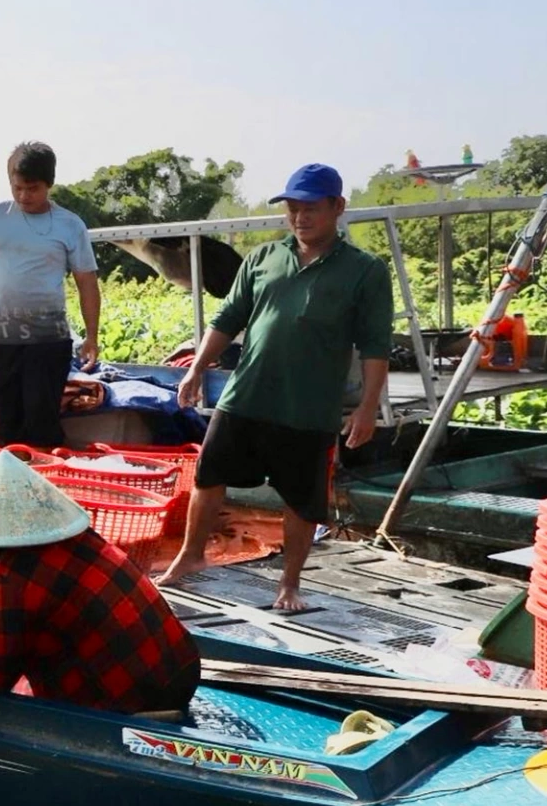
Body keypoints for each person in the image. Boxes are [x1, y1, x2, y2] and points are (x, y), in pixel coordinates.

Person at [157, 164, 392, 611]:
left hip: (309, 408)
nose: (300, 217)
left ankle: (290, 584)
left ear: (337, 208)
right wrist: (196, 369)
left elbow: (375, 345)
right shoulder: (263, 258)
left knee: (303, 499)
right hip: (246, 395)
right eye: (293, 208)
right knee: (209, 474)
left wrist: (367, 407)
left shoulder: (364, 270)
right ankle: (190, 557)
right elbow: (228, 319)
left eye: (311, 208)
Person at [0, 449, 200, 715]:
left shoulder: (7, 579)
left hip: (131, 697)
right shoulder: (80, 537)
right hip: (181, 669)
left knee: (14, 688)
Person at [0, 142, 101, 449]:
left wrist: (92, 336)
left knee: (42, 423)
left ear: (49, 184)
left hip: (48, 340)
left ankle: (46, 476)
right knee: (8, 424)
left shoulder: (70, 225)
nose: (23, 196)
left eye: (32, 189)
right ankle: (14, 476)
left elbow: (87, 282)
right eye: (17, 188)